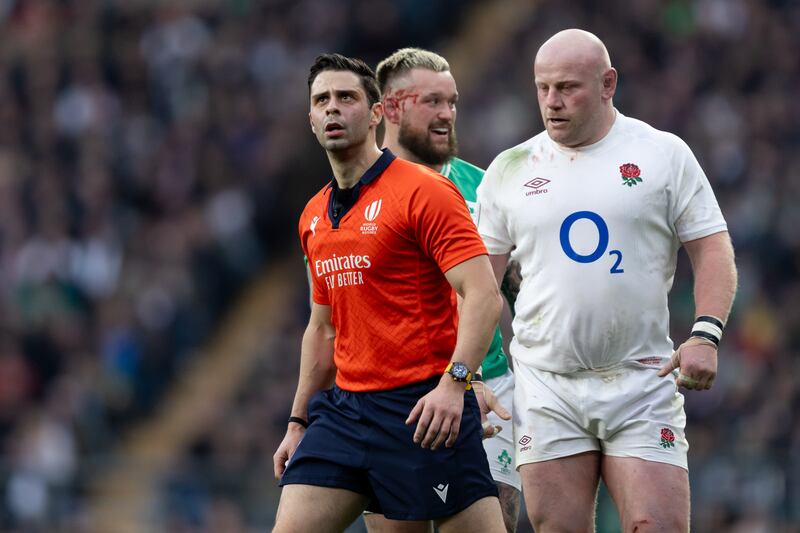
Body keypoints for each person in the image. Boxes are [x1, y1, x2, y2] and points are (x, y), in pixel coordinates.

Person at [475, 29, 737, 532]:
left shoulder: (663, 153)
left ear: (607, 83)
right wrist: (463, 371)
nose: (552, 102)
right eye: (543, 88)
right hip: (546, 384)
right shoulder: (509, 169)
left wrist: (706, 333)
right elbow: (477, 286)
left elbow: (711, 248)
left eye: (568, 87)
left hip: (642, 379)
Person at [272, 53, 506, 533]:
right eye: (322, 101)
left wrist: (454, 383)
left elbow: (483, 295)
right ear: (311, 119)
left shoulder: (425, 192)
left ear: (377, 113)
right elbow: (321, 330)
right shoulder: (313, 215)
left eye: (346, 98)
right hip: (345, 412)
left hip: (424, 407)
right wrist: (298, 422)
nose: (333, 109)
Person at [368, 47, 521, 533]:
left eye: (452, 102)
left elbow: (518, 290)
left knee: (498, 516)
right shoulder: (357, 195)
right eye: (433, 102)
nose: (447, 115)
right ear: (391, 108)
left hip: (488, 389)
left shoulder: (486, 189)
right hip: (394, 393)